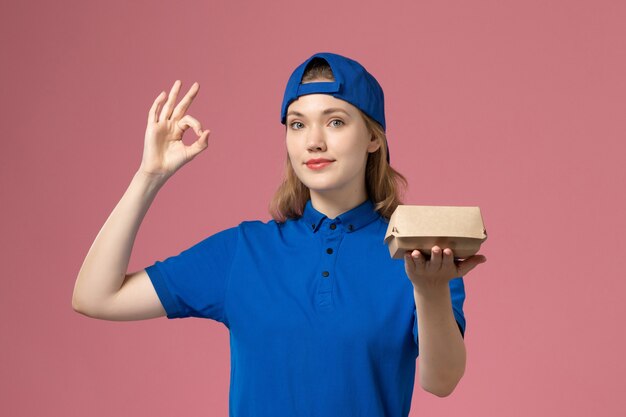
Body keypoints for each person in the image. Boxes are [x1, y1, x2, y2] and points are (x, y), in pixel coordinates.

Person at [72, 52, 487, 417]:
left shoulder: (418, 254)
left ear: (374, 138)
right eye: (297, 124)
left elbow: (441, 381)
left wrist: (431, 291)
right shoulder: (244, 252)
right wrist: (149, 177)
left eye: (336, 121)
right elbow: (95, 296)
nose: (314, 141)